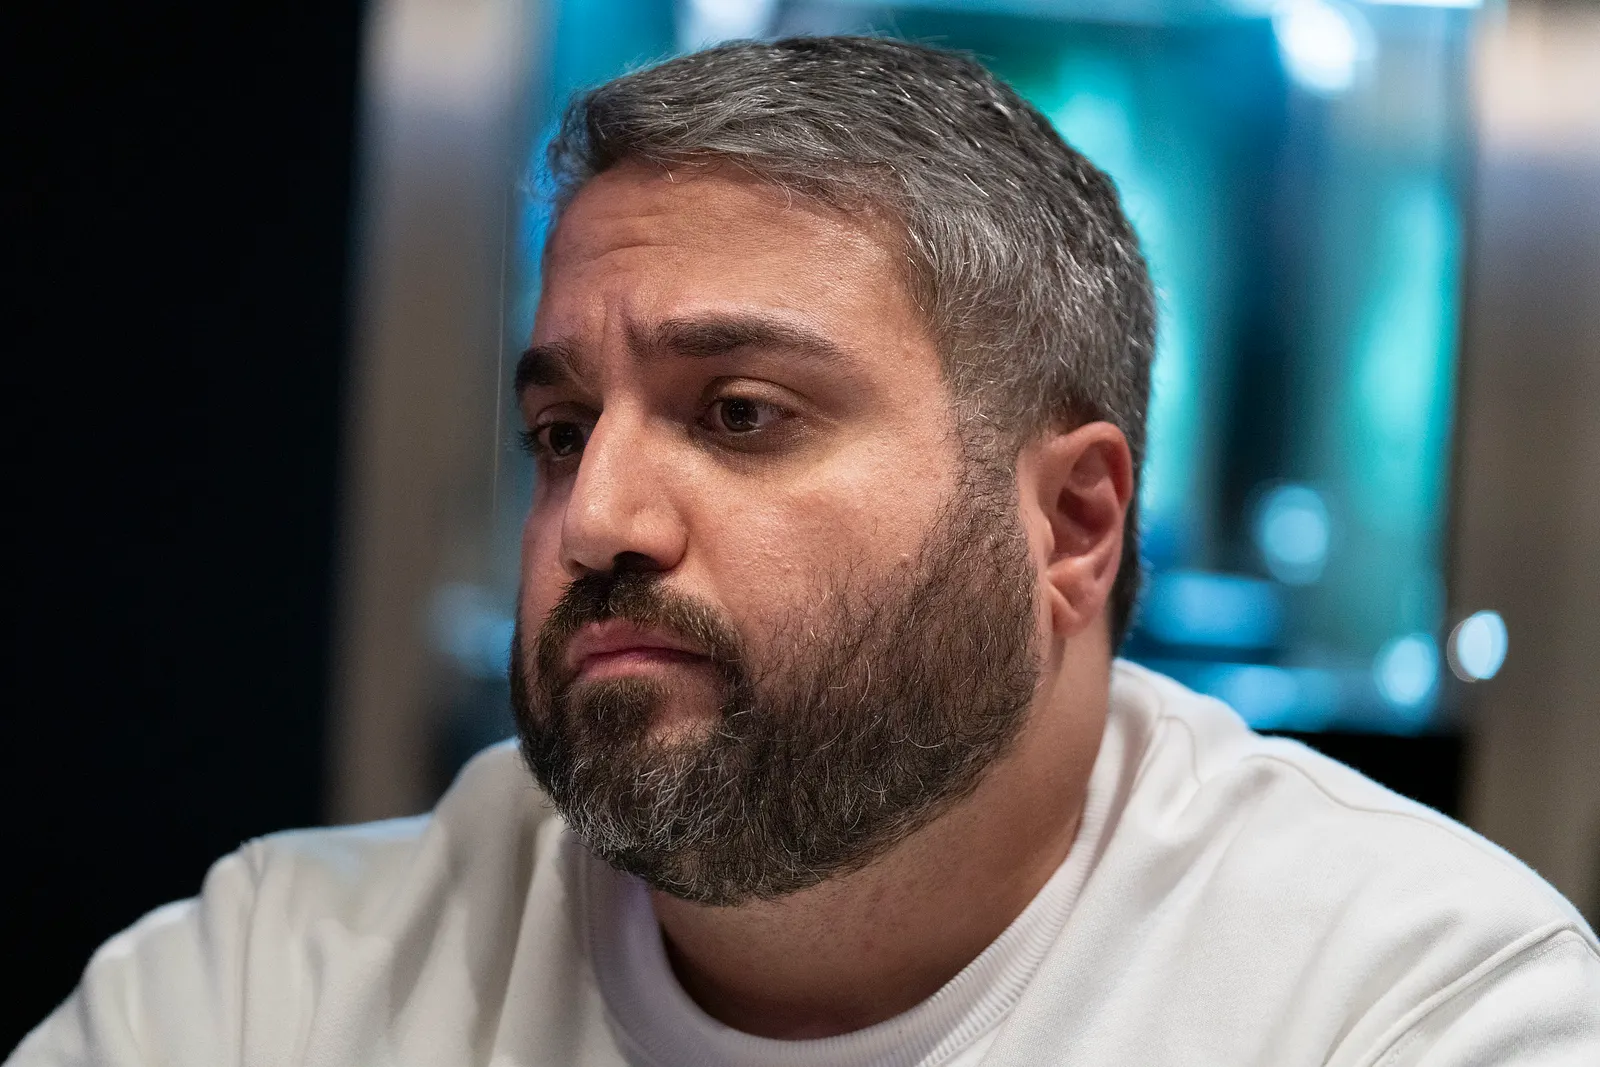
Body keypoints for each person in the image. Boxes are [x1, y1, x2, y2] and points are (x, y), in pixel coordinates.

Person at [11, 35, 1598, 1067]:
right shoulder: (269, 988)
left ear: (1072, 523)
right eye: (562, 430)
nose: (596, 518)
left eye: (742, 412)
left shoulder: (1412, 1002)